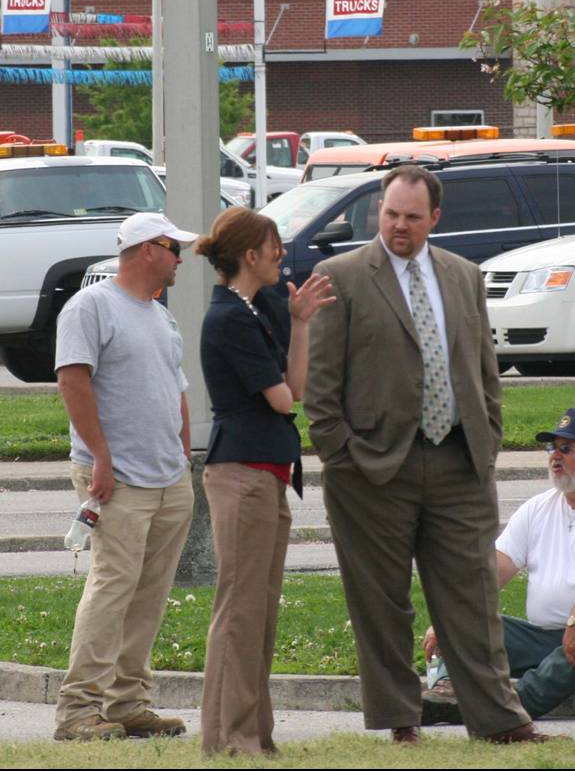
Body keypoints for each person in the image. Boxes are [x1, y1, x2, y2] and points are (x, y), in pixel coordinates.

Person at [303, 164, 545, 745]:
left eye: (412, 217)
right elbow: (320, 386)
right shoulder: (341, 276)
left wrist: (487, 435)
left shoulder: (463, 276)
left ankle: (500, 722)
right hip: (371, 469)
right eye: (390, 214)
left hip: (458, 461)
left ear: (435, 218)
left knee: (474, 597)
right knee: (381, 602)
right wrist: (342, 454)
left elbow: (484, 369)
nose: (399, 226)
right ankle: (400, 720)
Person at [419, 408, 575, 725]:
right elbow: (494, 568)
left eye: (566, 449)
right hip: (551, 639)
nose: (554, 457)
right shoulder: (537, 508)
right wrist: (450, 618)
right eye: (551, 448)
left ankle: (515, 708)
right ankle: (445, 693)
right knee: (471, 621)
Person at [53, 212, 199, 741]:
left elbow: (175, 387)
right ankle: (77, 710)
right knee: (113, 588)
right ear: (145, 250)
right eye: (172, 247)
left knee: (150, 593)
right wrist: (101, 457)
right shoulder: (90, 307)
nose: (180, 258)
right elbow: (73, 379)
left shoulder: (160, 316)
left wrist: (182, 454)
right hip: (116, 480)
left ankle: (126, 701)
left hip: (168, 480)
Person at [194, 207, 334, 754]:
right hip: (241, 473)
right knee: (240, 607)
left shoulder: (256, 310)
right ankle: (227, 738)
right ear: (250, 255)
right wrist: (289, 335)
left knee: (262, 606)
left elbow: (293, 387)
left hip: (268, 473)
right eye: (273, 246)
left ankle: (255, 733)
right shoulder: (228, 317)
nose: (281, 254)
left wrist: (299, 323)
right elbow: (280, 398)